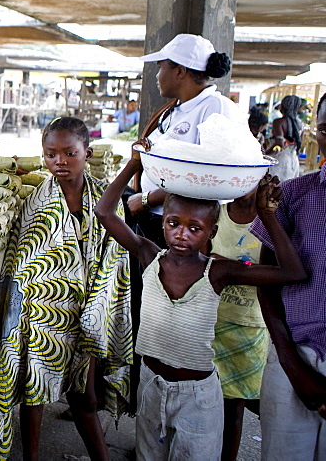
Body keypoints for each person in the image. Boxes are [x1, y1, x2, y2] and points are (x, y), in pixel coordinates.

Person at [94, 152, 305, 461]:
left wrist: (268, 215)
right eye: (173, 223)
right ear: (162, 224)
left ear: (212, 233)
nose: (182, 234)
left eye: (195, 228)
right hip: (151, 385)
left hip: (197, 397)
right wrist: (134, 164)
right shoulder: (149, 256)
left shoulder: (217, 270)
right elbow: (104, 212)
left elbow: (292, 272)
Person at [0, 117, 132, 460]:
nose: (59, 161)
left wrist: (98, 309)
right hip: (42, 315)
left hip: (91, 312)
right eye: (51, 154)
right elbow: (23, 266)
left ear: (87, 153)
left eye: (69, 153)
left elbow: (115, 263)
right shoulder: (36, 203)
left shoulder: (107, 199)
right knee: (34, 394)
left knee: (86, 397)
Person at [254, 92, 326, 458]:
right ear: (319, 133)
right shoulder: (295, 195)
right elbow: (266, 283)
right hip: (294, 355)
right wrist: (290, 363)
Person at [129, 33, 240, 244]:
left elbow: (210, 175)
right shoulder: (177, 109)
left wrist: (147, 199)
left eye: (161, 67)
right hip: (159, 218)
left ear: (180, 71)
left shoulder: (215, 107)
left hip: (184, 231)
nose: (157, 75)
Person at [208, 187, 268, 461]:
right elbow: (201, 258)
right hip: (210, 320)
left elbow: (276, 273)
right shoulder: (216, 214)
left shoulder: (270, 221)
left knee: (234, 407)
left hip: (249, 325)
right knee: (203, 400)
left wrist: (225, 266)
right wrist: (243, 270)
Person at [267, 94, 303, 182]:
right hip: (294, 161)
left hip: (280, 160)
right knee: (289, 188)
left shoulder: (278, 122)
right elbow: (299, 145)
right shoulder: (301, 124)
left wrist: (265, 155)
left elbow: (279, 144)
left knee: (275, 189)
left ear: (283, 106)